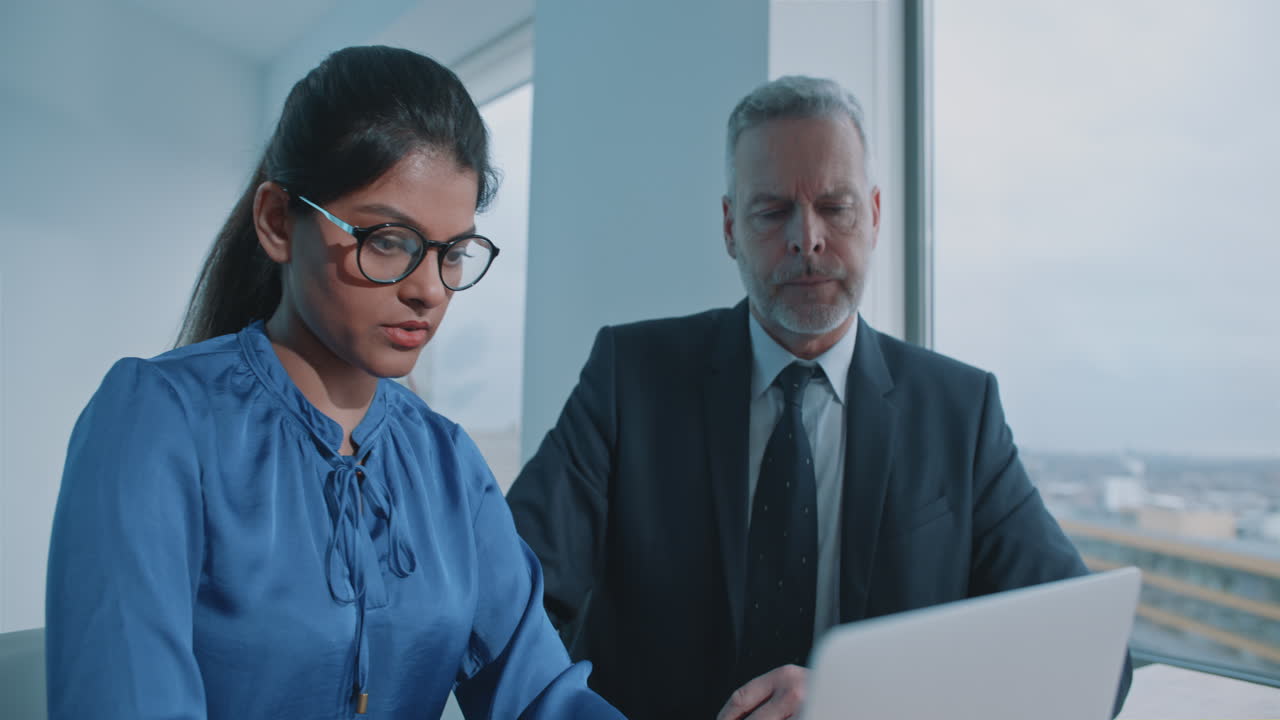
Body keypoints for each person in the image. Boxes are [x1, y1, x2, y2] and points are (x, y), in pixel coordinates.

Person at [505, 75, 1131, 720]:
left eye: (836, 207)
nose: (808, 238)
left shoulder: (961, 412)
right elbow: (508, 608)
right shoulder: (629, 378)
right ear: (729, 228)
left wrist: (867, 700)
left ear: (877, 216)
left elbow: (1093, 658)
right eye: (772, 211)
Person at [45, 45, 623, 720]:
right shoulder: (157, 420)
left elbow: (543, 699)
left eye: (453, 252)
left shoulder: (449, 464)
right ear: (276, 222)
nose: (429, 289)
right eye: (387, 240)